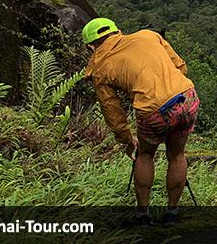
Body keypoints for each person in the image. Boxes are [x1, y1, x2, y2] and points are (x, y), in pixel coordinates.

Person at [82, 18, 199, 227]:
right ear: (117, 31)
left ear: (91, 46)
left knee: (145, 155)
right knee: (177, 155)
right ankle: (172, 214)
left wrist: (127, 140)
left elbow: (113, 113)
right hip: (186, 98)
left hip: (152, 111)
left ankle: (143, 216)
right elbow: (180, 66)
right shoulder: (149, 35)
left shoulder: (101, 71)